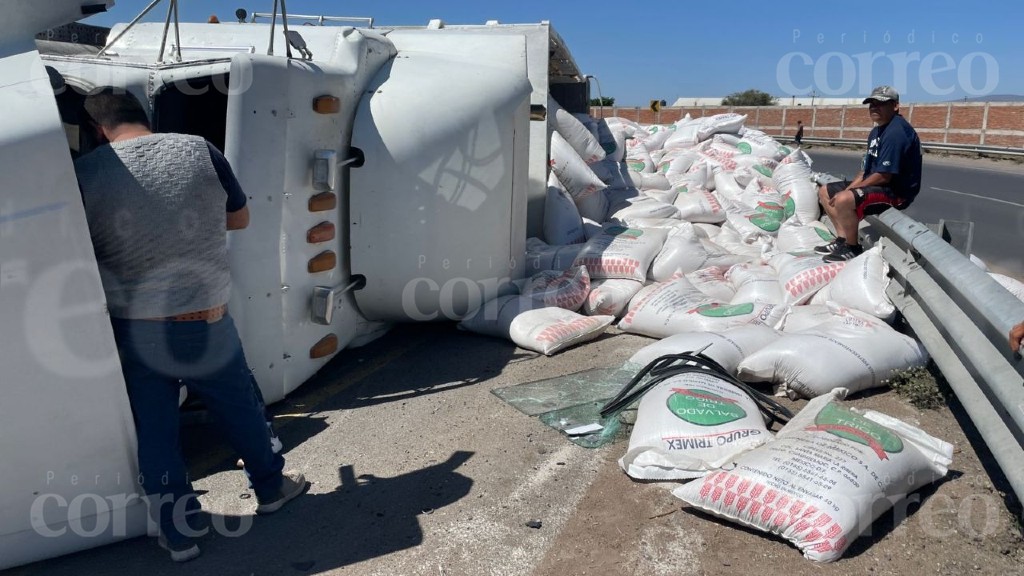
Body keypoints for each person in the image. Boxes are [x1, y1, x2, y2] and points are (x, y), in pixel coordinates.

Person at [74, 88, 306, 562]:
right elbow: (239, 218)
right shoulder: (199, 148)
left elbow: (79, 250)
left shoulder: (83, 174)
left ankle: (179, 533)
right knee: (240, 408)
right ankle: (270, 489)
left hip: (136, 329)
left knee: (156, 430)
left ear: (99, 131)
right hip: (206, 322)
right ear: (144, 116)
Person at [815, 85, 922, 262]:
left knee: (844, 200)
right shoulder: (876, 132)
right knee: (825, 191)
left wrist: (847, 194)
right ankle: (842, 240)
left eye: (880, 103)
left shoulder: (896, 132)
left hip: (897, 192)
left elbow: (883, 175)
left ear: (895, 106)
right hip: (878, 185)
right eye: (871, 104)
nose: (874, 107)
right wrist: (849, 188)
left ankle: (852, 247)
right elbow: (865, 170)